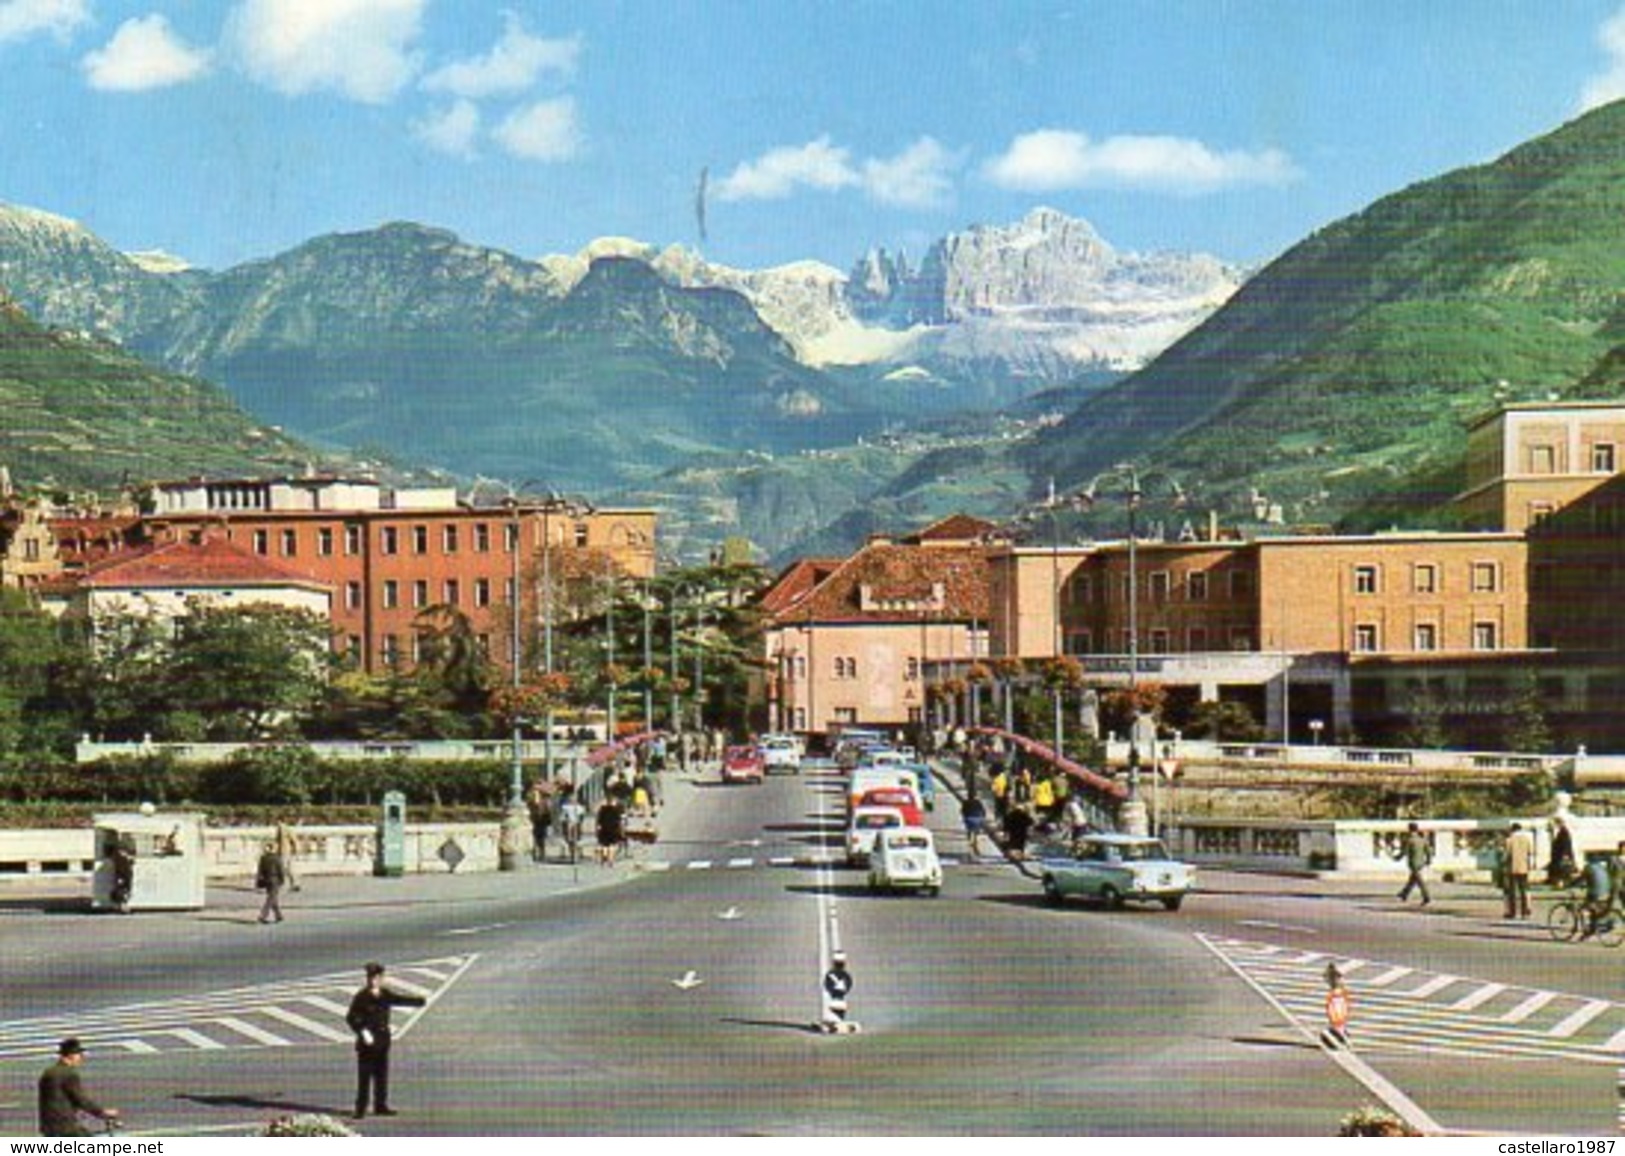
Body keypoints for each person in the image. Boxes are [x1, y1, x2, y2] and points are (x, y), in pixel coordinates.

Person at [345, 962, 426, 1120]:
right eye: (370, 977)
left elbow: (399, 999)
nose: (372, 980)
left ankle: (380, 1105)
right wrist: (362, 1031)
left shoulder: (384, 994)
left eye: (375, 978)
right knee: (364, 1077)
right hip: (367, 1044)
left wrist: (418, 1001)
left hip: (382, 1041)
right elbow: (350, 1018)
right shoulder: (362, 997)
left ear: (381, 978)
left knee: (381, 1075)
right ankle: (360, 1108)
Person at [38, 1038, 118, 1137]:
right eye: (79, 1055)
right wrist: (102, 1112)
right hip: (64, 1125)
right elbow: (80, 1099)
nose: (81, 1058)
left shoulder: (49, 1072)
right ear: (71, 1055)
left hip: (48, 1125)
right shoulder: (69, 1074)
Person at [1395, 822, 1432, 907]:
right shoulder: (1422, 839)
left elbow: (1404, 852)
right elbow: (1428, 851)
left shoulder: (1409, 840)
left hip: (1413, 863)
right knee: (1412, 880)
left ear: (1409, 829)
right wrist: (1428, 860)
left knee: (1420, 881)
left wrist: (1397, 858)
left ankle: (1426, 897)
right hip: (1421, 863)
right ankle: (1404, 894)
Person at [1502, 822, 1534, 920]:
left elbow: (1506, 855)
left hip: (1512, 868)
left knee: (1512, 891)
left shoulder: (1509, 840)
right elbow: (1530, 853)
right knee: (1524, 890)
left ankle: (1513, 912)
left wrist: (1503, 864)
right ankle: (1525, 912)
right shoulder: (1527, 839)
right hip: (1524, 867)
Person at [255, 841, 287, 924]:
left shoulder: (263, 858)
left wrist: (258, 882)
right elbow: (281, 871)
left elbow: (260, 871)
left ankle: (278, 916)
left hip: (266, 880)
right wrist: (282, 881)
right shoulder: (277, 858)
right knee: (270, 899)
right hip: (275, 880)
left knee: (273, 898)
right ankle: (262, 916)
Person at [1321, 964, 1352, 1049]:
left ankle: (1341, 1040)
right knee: (1338, 1026)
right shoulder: (1338, 992)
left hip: (1337, 1017)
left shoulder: (1337, 992)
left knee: (1336, 1027)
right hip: (1338, 1017)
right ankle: (1342, 1039)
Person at [822, 950, 854, 1030]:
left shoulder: (831, 974)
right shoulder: (845, 975)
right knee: (838, 1008)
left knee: (837, 1008)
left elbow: (827, 984)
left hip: (836, 999)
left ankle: (835, 1023)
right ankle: (836, 1022)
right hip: (839, 999)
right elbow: (849, 984)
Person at [557, 787, 586, 863]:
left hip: (576, 825)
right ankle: (573, 854)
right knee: (569, 841)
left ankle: (575, 854)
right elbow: (562, 818)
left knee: (576, 840)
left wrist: (580, 822)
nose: (573, 798)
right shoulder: (565, 807)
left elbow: (582, 817)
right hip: (567, 825)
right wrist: (564, 823)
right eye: (571, 797)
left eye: (574, 797)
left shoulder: (579, 807)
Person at [595, 794, 625, 866]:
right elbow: (620, 821)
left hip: (604, 829)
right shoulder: (616, 810)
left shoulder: (602, 809)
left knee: (604, 844)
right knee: (613, 845)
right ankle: (610, 860)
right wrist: (621, 830)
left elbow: (598, 820)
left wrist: (597, 829)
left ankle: (605, 854)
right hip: (614, 829)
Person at [527, 783, 553, 863]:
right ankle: (537, 853)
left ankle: (540, 854)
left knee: (540, 838)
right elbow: (532, 806)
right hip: (535, 820)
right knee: (536, 837)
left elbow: (548, 811)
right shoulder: (533, 798)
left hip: (541, 820)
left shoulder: (545, 800)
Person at [1547, 817, 1577, 887]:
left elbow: (1565, 844)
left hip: (1561, 856)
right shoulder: (1562, 832)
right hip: (1560, 855)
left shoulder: (1563, 832)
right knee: (1560, 870)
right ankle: (1560, 883)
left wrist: (1565, 855)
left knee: (1562, 870)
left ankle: (1562, 884)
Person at [109, 837, 135, 914]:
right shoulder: (120, 858)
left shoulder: (119, 857)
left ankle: (122, 907)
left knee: (123, 891)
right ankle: (123, 908)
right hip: (123, 876)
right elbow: (123, 868)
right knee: (123, 892)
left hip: (123, 876)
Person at [275, 819, 301, 892]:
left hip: (284, 852)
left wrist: (296, 850)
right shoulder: (283, 829)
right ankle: (295, 884)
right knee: (289, 869)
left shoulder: (284, 829)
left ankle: (284, 885)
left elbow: (294, 840)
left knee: (283, 868)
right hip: (286, 851)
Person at [961, 792, 989, 860]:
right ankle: (976, 845)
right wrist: (982, 818)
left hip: (969, 819)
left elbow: (963, 811)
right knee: (976, 833)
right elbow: (983, 811)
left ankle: (971, 847)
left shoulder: (966, 802)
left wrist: (965, 818)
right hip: (978, 819)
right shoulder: (978, 802)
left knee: (970, 832)